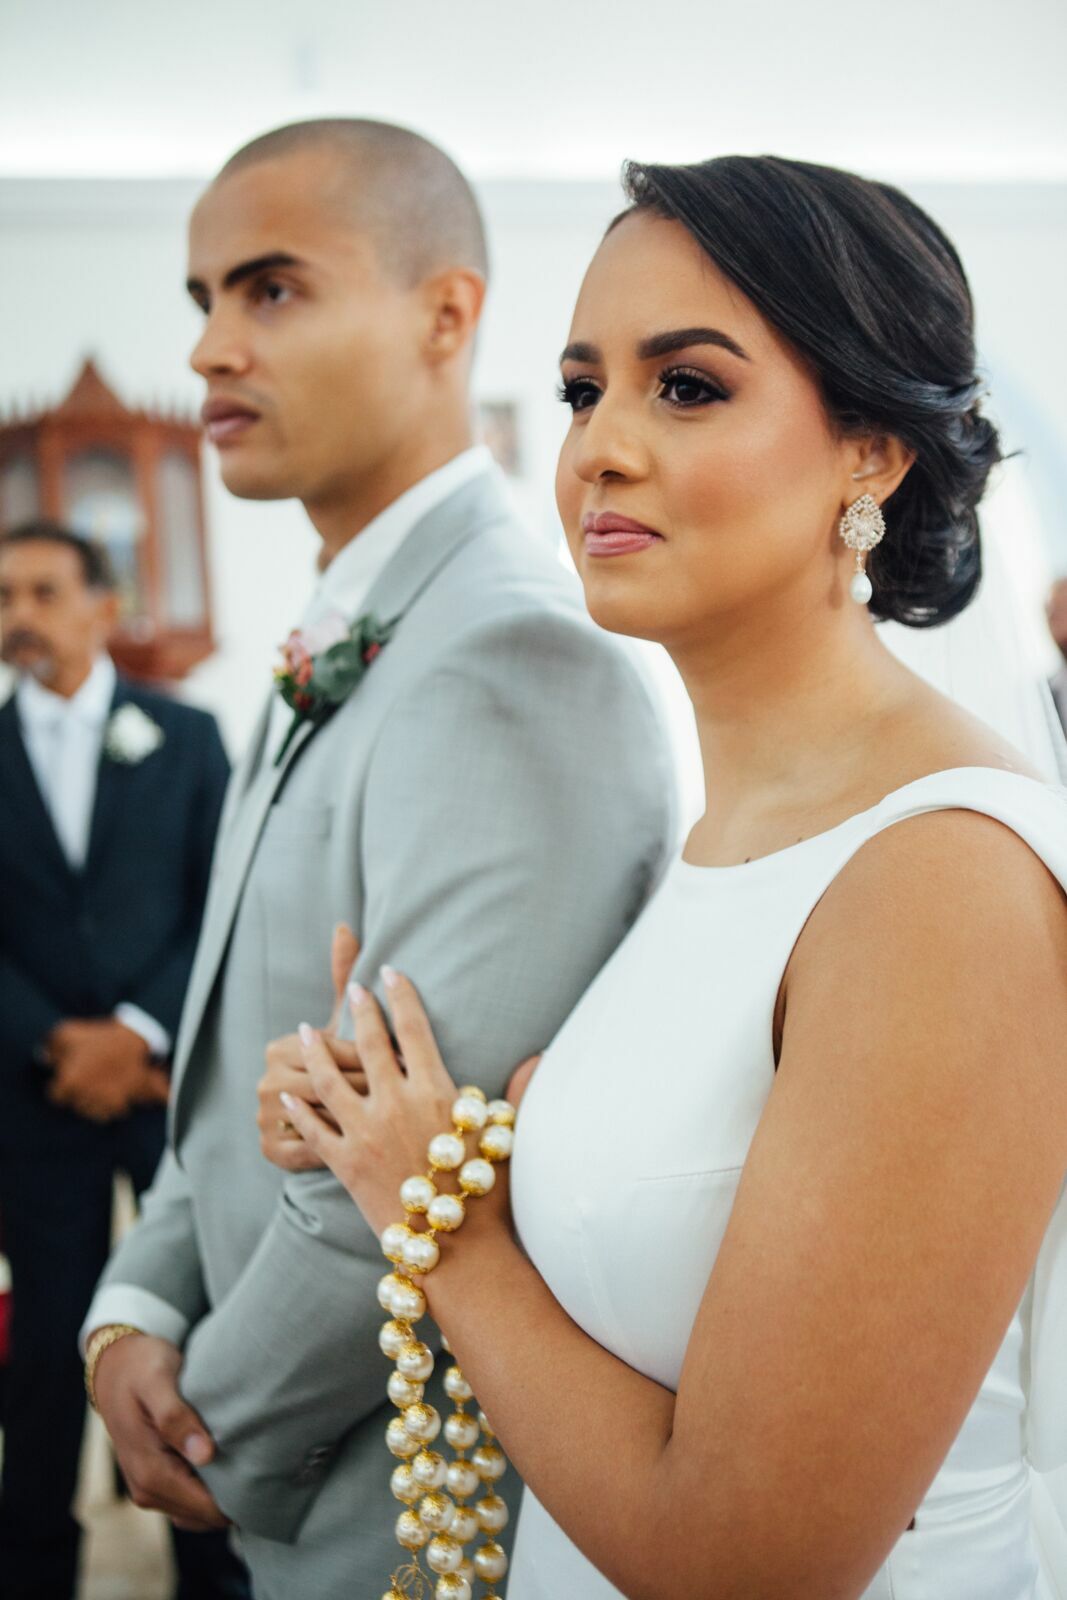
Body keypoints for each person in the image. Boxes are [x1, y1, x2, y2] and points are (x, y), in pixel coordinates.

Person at [279, 156, 1067, 1600]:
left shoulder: (936, 882)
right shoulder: (735, 827)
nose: (597, 449)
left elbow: (743, 1566)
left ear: (870, 452)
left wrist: (434, 1223)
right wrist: (428, 1128)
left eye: (685, 387)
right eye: (583, 391)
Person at [81, 119, 672, 1600]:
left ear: (445, 315)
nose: (213, 345)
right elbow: (238, 1051)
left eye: (270, 290)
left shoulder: (509, 659)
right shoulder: (350, 636)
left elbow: (412, 1166)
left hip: (387, 1509)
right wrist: (133, 1302)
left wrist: (213, 1418)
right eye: (202, 297)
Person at [0, 521, 243, 1600]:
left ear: (105, 605)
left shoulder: (185, 738)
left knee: (191, 1325)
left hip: (167, 1089)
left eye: (45, 591)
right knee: (46, 1345)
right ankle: (36, 1572)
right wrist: (56, 1039)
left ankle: (211, 1568)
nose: (20, 615)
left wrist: (138, 1030)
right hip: (31, 1093)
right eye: (5, 595)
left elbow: (225, 903)